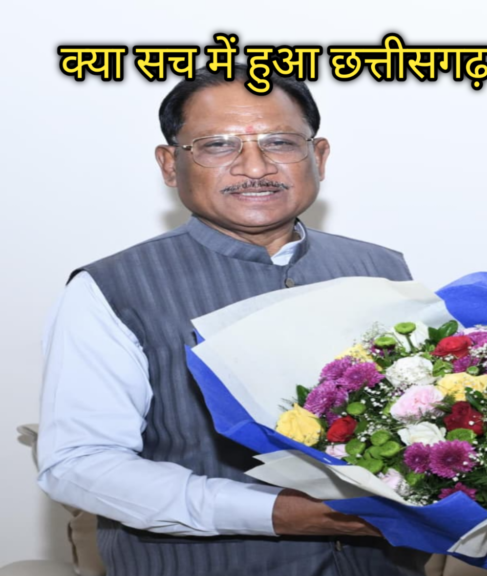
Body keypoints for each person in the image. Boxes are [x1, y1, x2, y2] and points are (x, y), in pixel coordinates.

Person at [36, 66, 427, 576]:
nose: (255, 166)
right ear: (170, 165)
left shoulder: (382, 269)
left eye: (280, 142)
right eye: (218, 145)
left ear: (319, 157)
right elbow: (79, 465)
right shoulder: (112, 288)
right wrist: (274, 514)